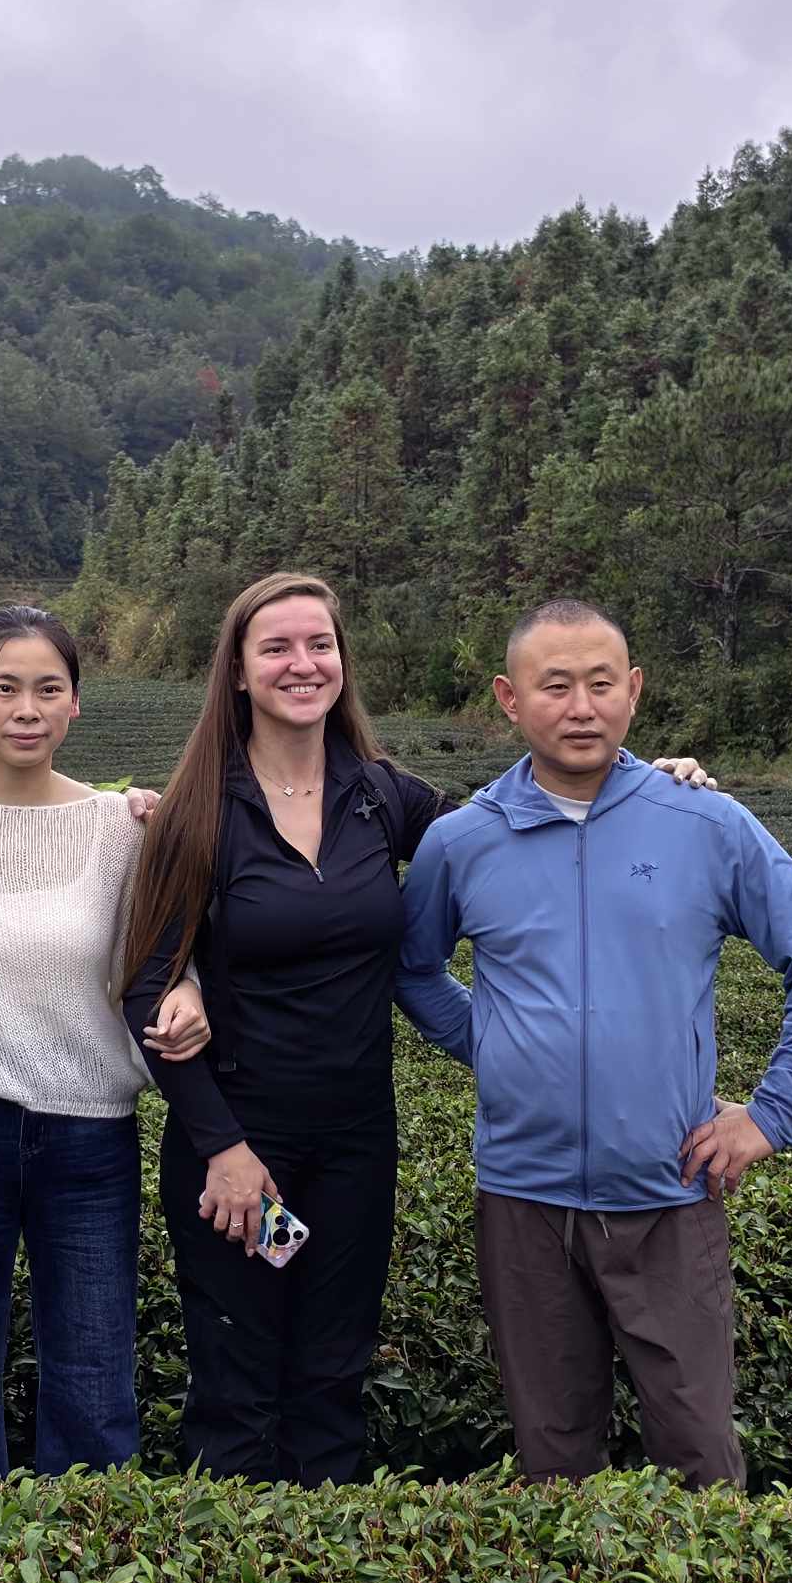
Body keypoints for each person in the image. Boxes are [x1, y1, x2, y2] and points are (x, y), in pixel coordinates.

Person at [120, 571, 718, 1484]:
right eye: (276, 647)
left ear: (342, 663)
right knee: (238, 1373)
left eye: (320, 644)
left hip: (355, 1144)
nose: (302, 664)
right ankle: (232, 1563)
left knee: (332, 1369)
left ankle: (327, 1557)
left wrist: (641, 783)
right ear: (237, 671)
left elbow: (514, 827)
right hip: (243, 1150)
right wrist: (223, 1149)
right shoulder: (198, 812)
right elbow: (145, 988)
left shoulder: (381, 796)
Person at [397, 597, 792, 1490]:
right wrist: (492, 1043)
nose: (582, 707)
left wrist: (774, 1115)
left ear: (635, 690)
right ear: (509, 698)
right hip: (523, 1199)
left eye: (602, 684)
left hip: (669, 1193)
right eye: (556, 686)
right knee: (552, 1461)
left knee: (699, 1455)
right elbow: (412, 969)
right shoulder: (461, 843)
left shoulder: (707, 824)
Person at [0, 604, 207, 1477]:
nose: (26, 709)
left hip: (90, 1134)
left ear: (76, 704)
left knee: (95, 1383)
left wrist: (190, 992)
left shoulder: (119, 828)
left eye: (49, 689)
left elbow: (157, 958)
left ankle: (89, 1556)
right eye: (5, 688)